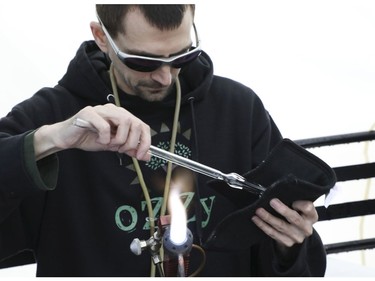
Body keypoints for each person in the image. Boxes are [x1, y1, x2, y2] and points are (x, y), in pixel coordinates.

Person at [0, 4, 326, 277]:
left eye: (183, 56)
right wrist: (50, 140)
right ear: (102, 37)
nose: (165, 76)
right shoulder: (53, 115)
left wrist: (290, 243)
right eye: (144, 61)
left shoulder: (238, 110)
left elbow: (293, 262)